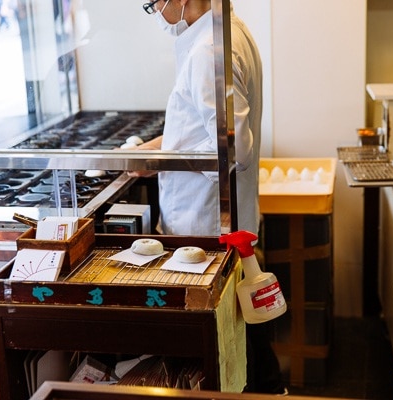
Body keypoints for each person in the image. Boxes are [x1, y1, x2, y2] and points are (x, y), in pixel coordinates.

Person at [137, 0, 286, 394]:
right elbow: (201, 128)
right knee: (243, 332)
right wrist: (157, 149)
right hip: (222, 217)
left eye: (154, 5)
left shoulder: (210, 50)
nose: (158, 15)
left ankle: (270, 389)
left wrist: (162, 162)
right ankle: (271, 387)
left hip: (206, 223)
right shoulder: (220, 33)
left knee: (230, 340)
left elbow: (234, 150)